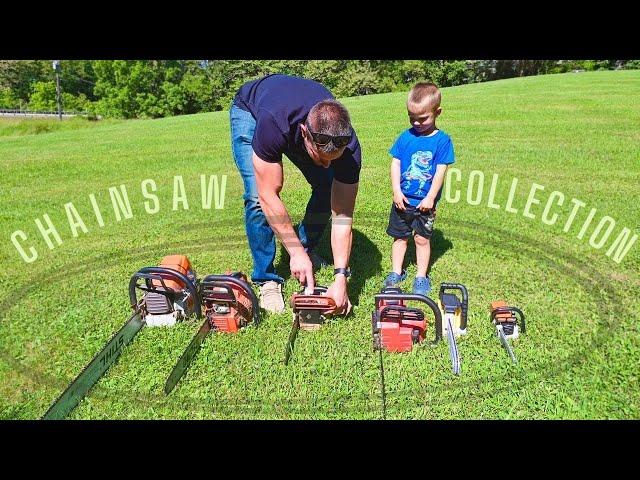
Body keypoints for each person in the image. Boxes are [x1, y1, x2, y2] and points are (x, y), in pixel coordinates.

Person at [230, 74, 361, 313]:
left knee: (326, 184)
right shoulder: (273, 123)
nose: (325, 165)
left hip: (290, 115)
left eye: (333, 160)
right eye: (320, 158)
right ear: (304, 134)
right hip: (251, 110)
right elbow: (268, 195)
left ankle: (307, 249)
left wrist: (341, 277)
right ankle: (266, 277)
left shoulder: (349, 148)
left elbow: (342, 215)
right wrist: (293, 251)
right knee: (255, 197)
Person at [383, 82, 455, 295]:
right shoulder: (405, 137)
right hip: (402, 201)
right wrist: (396, 190)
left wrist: (431, 197)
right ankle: (397, 272)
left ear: (437, 112)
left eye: (423, 118)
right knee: (400, 237)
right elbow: (395, 163)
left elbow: (441, 170)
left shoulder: (442, 141)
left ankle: (421, 276)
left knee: (422, 239)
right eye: (411, 117)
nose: (416, 122)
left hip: (425, 204)